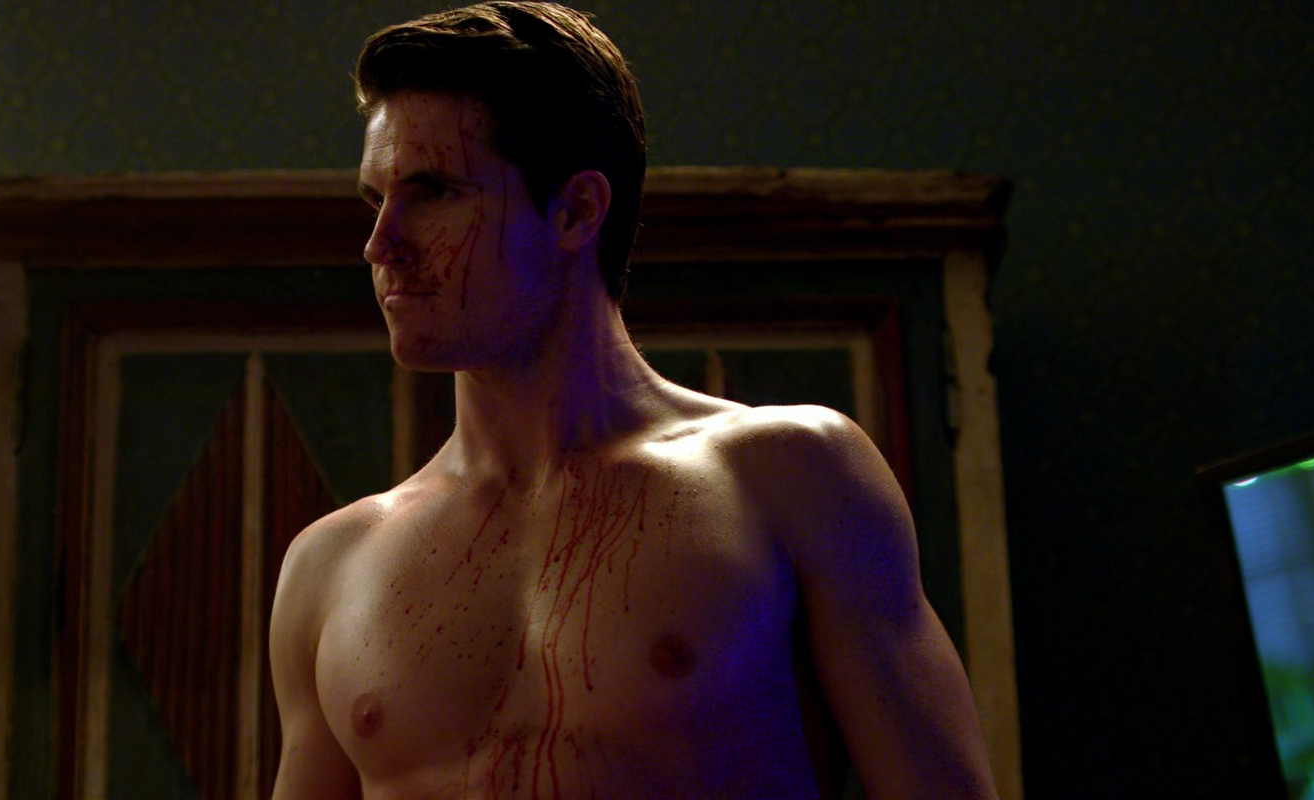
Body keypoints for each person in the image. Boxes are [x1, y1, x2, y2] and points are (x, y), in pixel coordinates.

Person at [268, 3, 1000, 797]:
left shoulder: (789, 477)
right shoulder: (330, 567)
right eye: (375, 200)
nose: (381, 243)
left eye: (434, 190)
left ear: (577, 210)